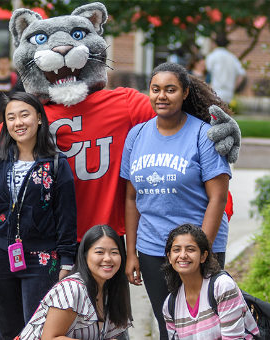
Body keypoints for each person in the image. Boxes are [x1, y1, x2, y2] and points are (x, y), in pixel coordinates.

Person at [121, 62, 232, 339]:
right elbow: (132, 197)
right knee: (167, 324)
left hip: (201, 246)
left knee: (204, 325)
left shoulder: (203, 134)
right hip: (153, 247)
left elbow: (217, 198)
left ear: (184, 92)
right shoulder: (136, 135)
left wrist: (200, 252)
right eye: (156, 89)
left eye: (170, 89)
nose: (162, 96)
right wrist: (132, 252)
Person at [0, 92, 77, 340]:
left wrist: (66, 261)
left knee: (38, 331)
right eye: (11, 118)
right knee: (8, 331)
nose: (18, 123)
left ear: (39, 119)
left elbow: (66, 216)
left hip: (42, 261)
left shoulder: (55, 163)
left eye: (24, 115)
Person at [19, 225, 131, 340]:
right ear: (84, 255)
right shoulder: (71, 289)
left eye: (114, 252)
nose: (108, 258)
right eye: (99, 252)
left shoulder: (110, 289)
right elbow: (49, 338)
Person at [162, 224, 259, 339]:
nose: (183, 255)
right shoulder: (170, 305)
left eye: (190, 249)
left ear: (203, 256)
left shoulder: (222, 287)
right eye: (177, 250)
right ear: (169, 257)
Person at [206, 33, 246, 104]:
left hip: (215, 90)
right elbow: (241, 74)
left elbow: (207, 72)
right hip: (228, 92)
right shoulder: (232, 57)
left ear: (215, 44)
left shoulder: (212, 56)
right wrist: (234, 87)